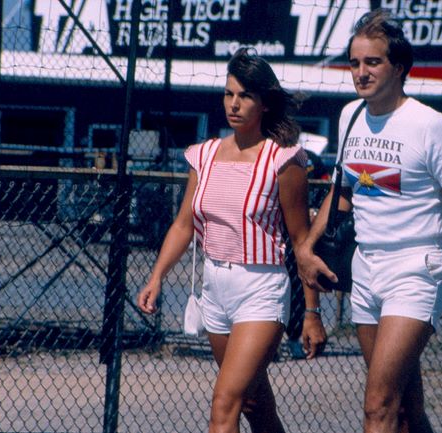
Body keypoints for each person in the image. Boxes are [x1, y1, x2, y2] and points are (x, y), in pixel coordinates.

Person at [296, 9, 442, 433]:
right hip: (365, 268)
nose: (361, 73)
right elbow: (343, 191)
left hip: (415, 269)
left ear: (398, 67)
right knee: (403, 412)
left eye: (373, 62)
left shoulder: (431, 126)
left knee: (377, 405)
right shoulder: (351, 115)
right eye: (354, 63)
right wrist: (306, 247)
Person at [137, 47, 327, 433]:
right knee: (254, 403)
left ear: (265, 103)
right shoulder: (204, 154)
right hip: (215, 288)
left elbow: (301, 241)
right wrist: (156, 277)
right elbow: (183, 225)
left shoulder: (284, 159)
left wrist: (312, 313)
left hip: (261, 288)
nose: (234, 104)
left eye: (245, 96)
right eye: (228, 94)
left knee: (224, 404)